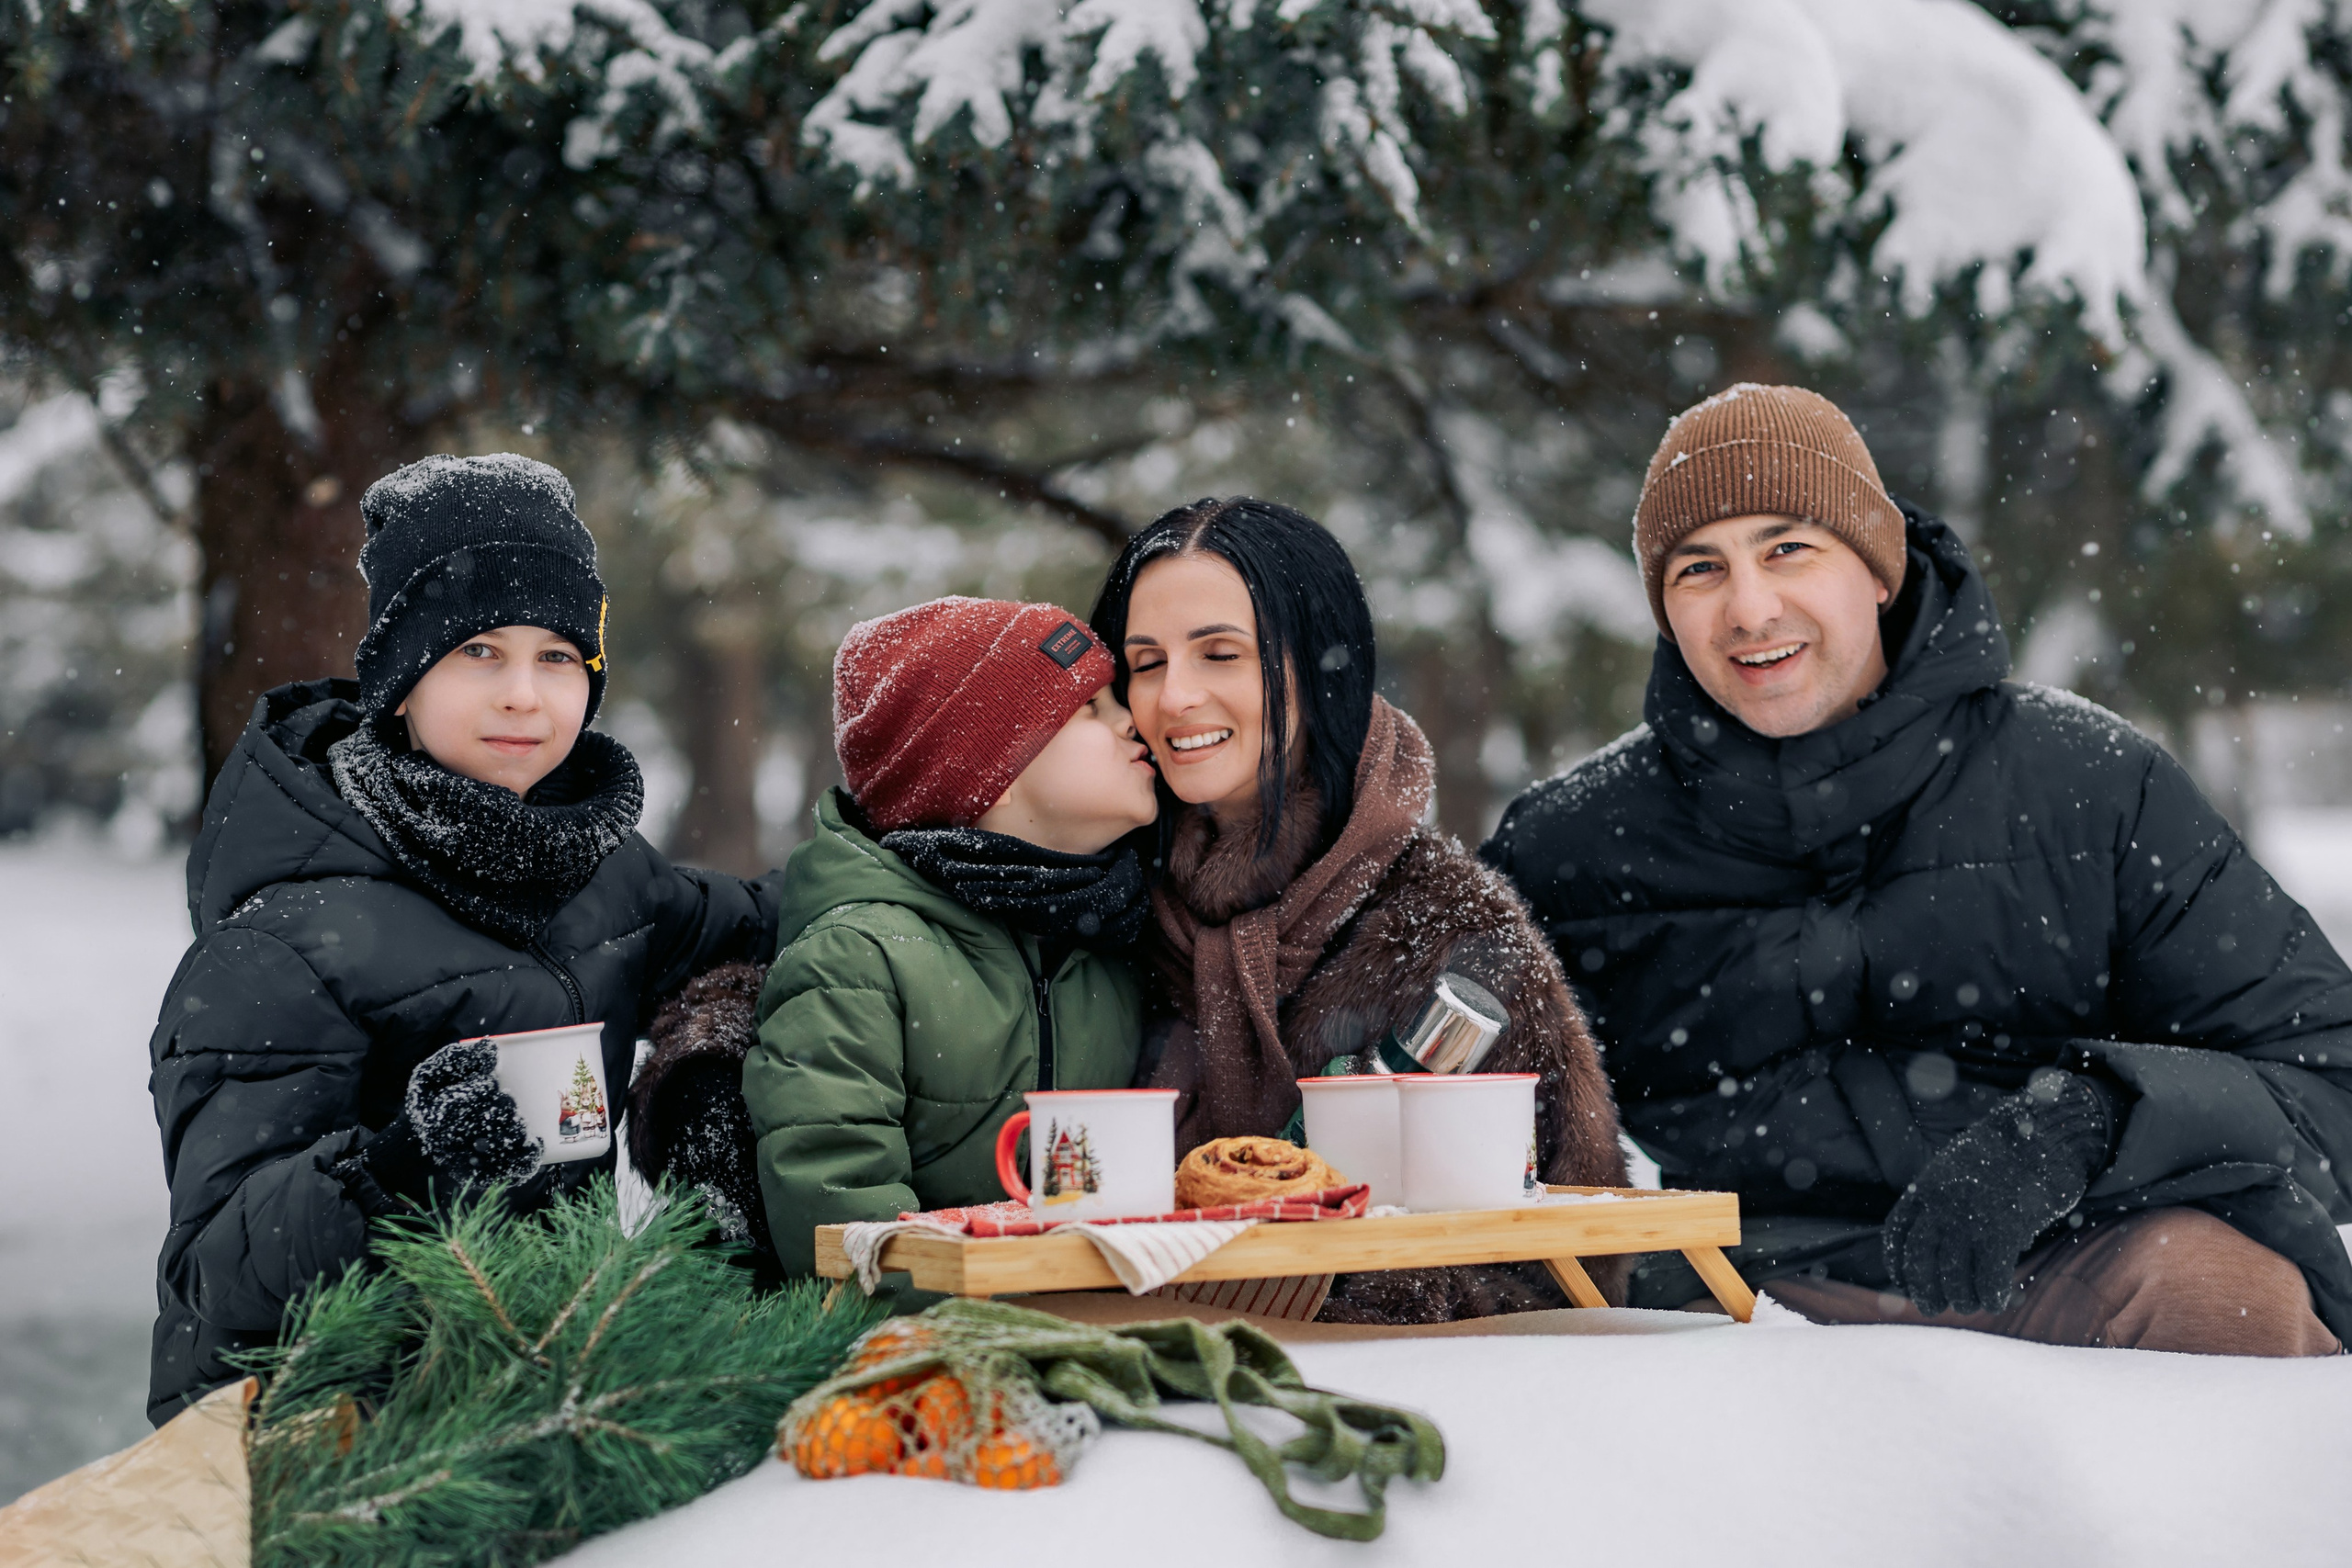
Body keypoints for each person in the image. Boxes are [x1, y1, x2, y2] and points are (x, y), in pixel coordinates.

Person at [1483, 383, 2352, 1355]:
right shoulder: (1570, 845)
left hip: (2066, 1256)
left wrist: (2089, 1125)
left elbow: (2328, 1072)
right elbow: (1421, 1102)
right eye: (1698, 569)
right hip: (1723, 1296)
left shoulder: (2090, 786)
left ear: (1879, 568)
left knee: (2223, 1292)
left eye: (1787, 549)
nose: (1749, 607)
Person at [146, 455, 784, 1424]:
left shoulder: (605, 875)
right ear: (399, 680)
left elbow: (780, 919)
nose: (523, 694)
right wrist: (403, 1164)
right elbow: (215, 1280)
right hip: (329, 1447)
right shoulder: (283, 942)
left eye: (558, 657)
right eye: (478, 651)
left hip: (530, 1403)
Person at [1090, 497, 1630, 1323]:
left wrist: (1341, 1305)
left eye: (1221, 654)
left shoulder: (1446, 932)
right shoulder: (1101, 903)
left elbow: (1573, 1267)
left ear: (1318, 666)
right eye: (1147, 661)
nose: (1176, 697)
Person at [676, 597, 1158, 1292]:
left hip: (1099, 1332)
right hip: (925, 1362)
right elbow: (843, 1226)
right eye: (1090, 705)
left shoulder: (1110, 939)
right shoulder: (857, 958)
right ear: (991, 764)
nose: (1130, 719)